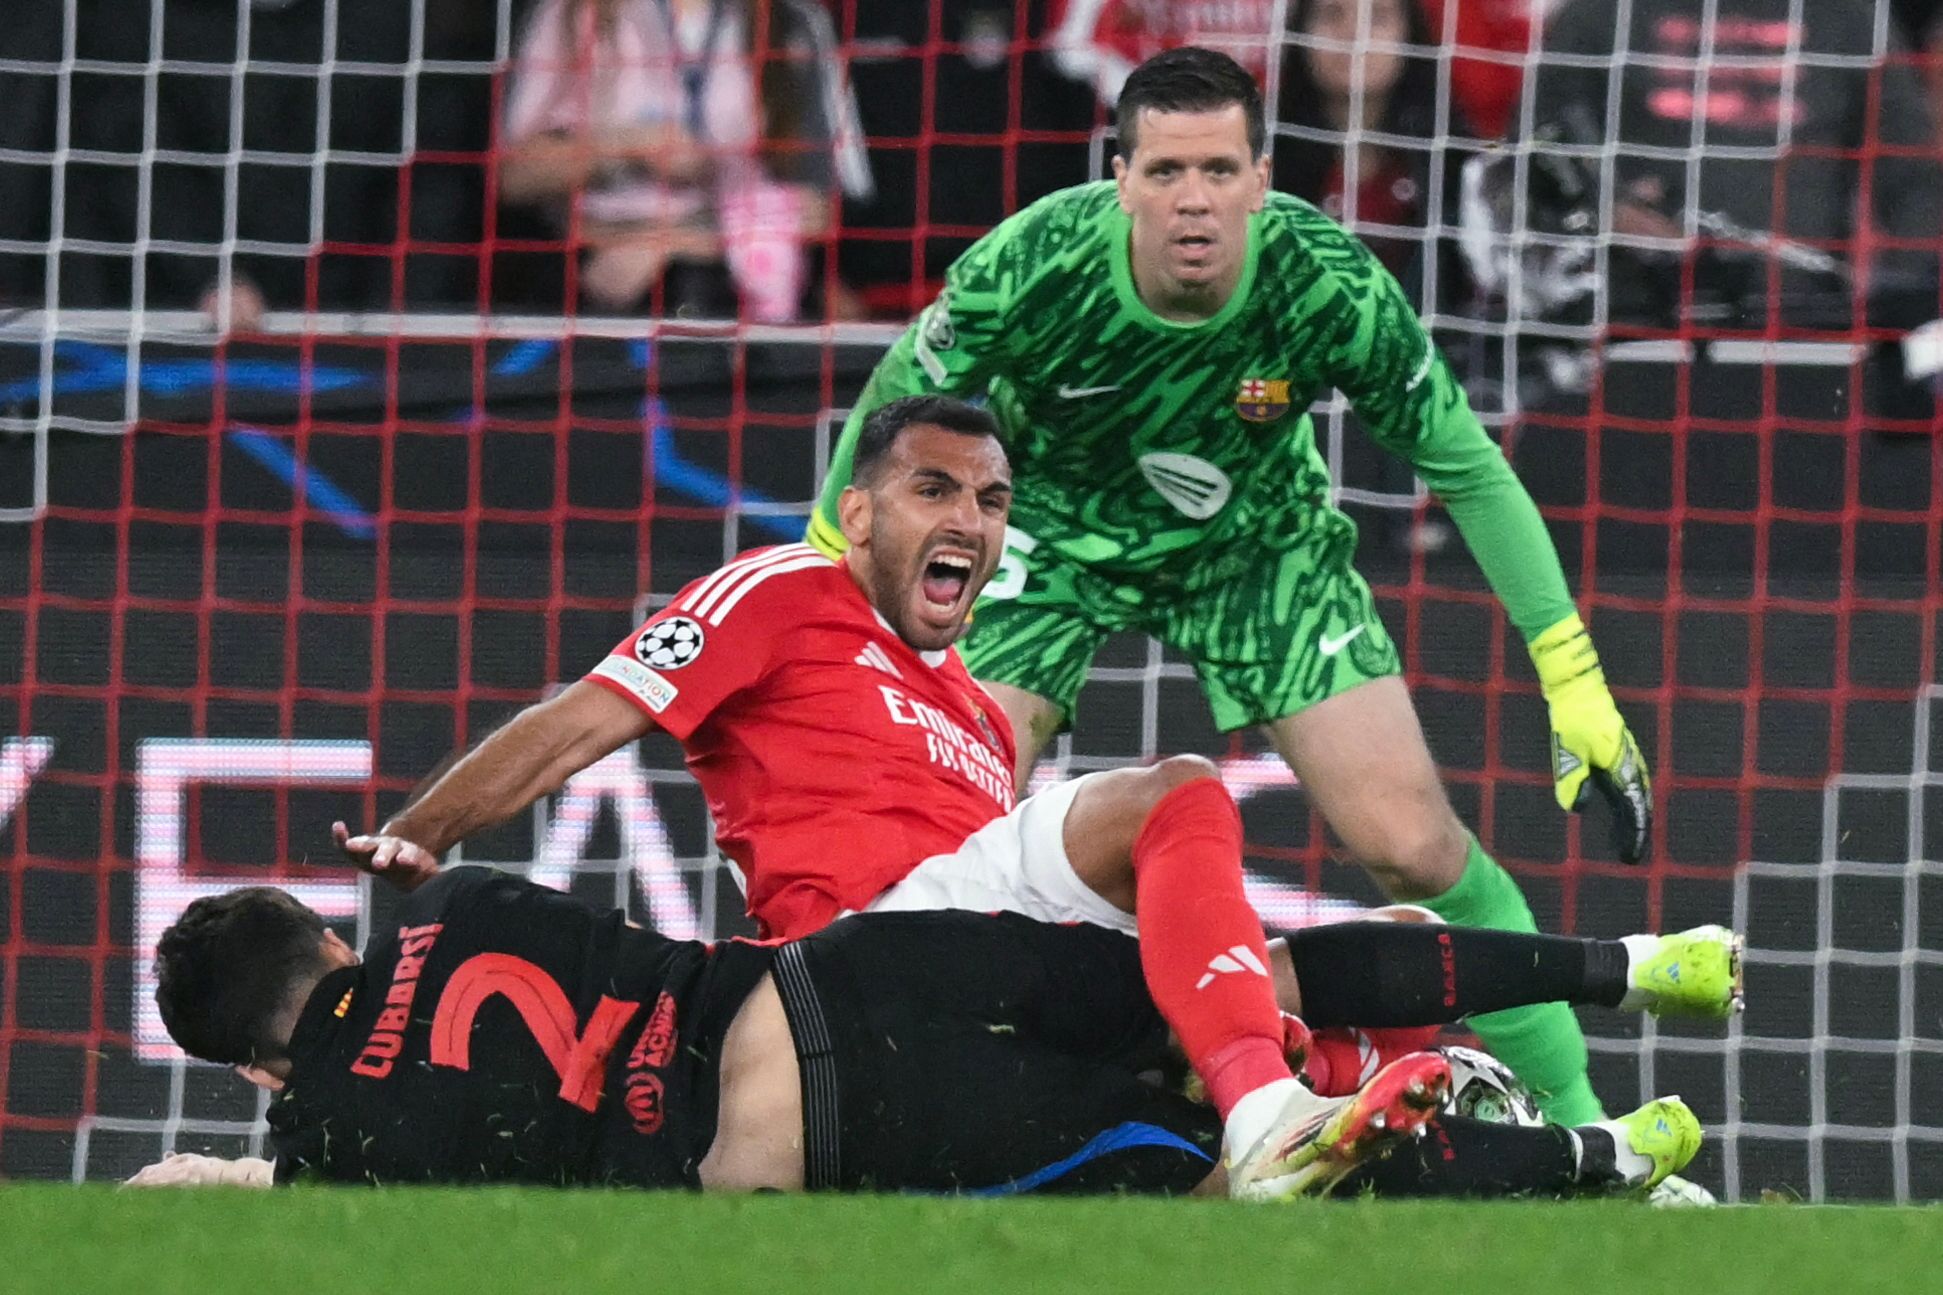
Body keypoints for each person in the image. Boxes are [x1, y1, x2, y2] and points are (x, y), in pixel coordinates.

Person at [332, 394, 1738, 1197]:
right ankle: (1279, 1098)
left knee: (1273, 987)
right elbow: (586, 717)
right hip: (866, 958)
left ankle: (1599, 1148)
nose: (968, 519)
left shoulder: (966, 703)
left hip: (978, 977)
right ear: (863, 511)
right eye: (934, 488)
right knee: (1177, 797)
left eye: (993, 499)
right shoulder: (783, 590)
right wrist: (425, 829)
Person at [804, 48, 1648, 1131]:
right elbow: (884, 420)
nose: (1190, 199)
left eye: (1215, 169)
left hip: (1256, 548)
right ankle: (881, 1113)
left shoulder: (1324, 282)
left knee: (1414, 848)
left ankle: (1582, 1126)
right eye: (1162, 172)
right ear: (1119, 179)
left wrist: (1570, 678)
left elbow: (1468, 469)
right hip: (1049, 539)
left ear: (1260, 176)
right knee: (936, 853)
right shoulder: (1030, 265)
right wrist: (821, 602)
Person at [133, 866, 1720, 1196]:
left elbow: (169, 1206)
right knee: (1247, 974)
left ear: (257, 1062)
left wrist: (260, 1141)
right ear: (333, 935)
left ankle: (1603, 1158)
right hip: (841, 969)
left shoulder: (324, 1143)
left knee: (1232, 1188)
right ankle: (1637, 957)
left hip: (818, 1125)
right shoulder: (457, 900)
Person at [1506, 0, 1942, 336]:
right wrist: (1604, 208)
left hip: (1801, 325)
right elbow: (1526, 152)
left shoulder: (1848, 15)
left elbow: (1914, 181)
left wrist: (1903, 303)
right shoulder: (1603, 12)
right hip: (1632, 325)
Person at [498, 0, 867, 319]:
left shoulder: (789, 20)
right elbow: (511, 176)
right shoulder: (571, 14)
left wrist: (669, 243)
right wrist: (630, 148)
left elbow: (822, 211)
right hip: (595, 278)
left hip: (740, 282)